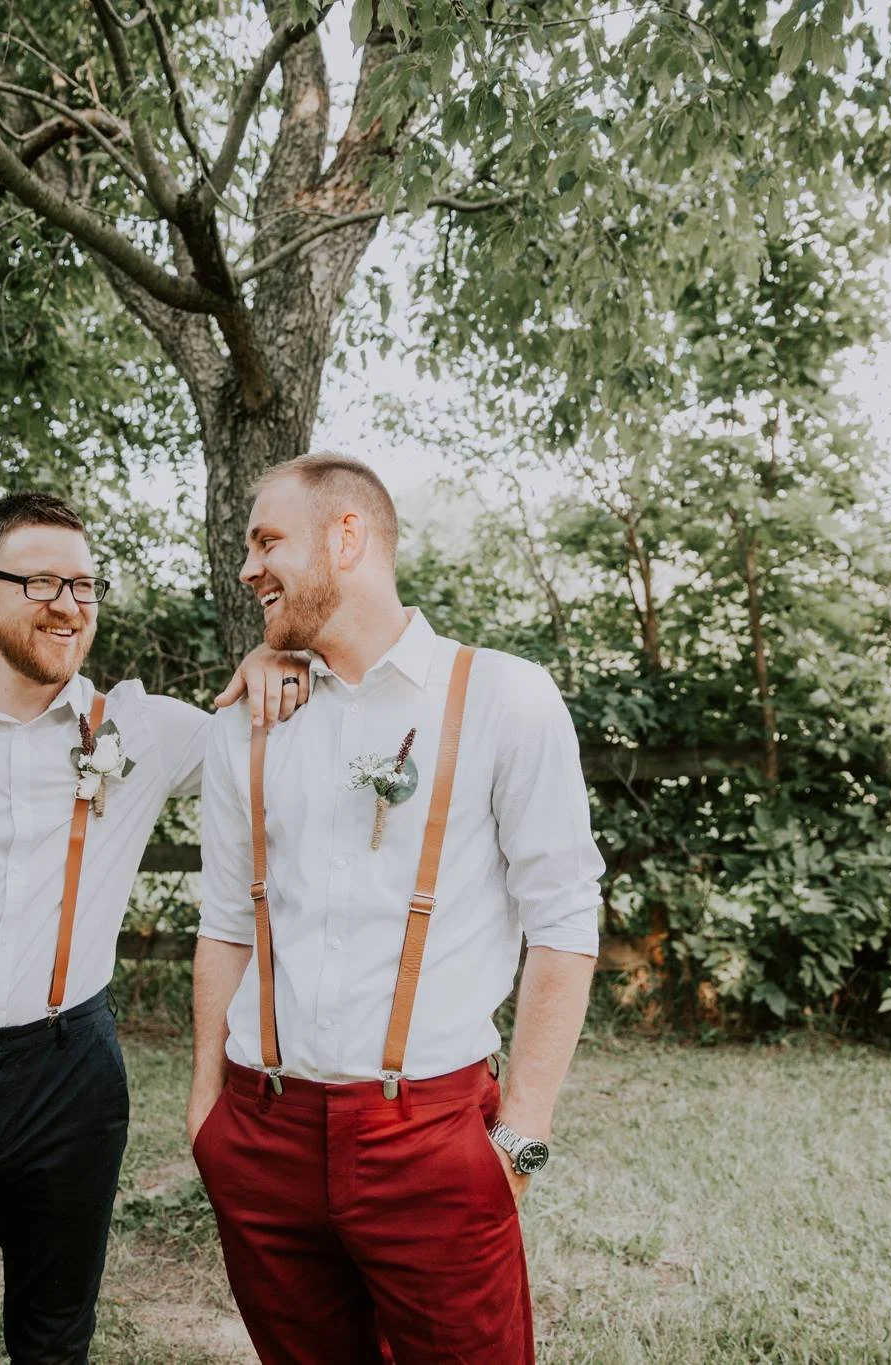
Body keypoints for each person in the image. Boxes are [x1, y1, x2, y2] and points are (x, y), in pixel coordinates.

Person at [0, 490, 308, 1365]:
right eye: (41, 582)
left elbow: (277, 723)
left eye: (85, 584)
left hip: (70, 1077)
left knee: (54, 1340)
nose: (70, 605)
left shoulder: (139, 728)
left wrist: (278, 654)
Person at [187, 453, 604, 1363]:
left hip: (433, 1138)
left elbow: (566, 923)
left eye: (267, 542)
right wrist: (206, 1116)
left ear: (348, 537)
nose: (248, 567)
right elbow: (225, 920)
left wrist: (521, 1137)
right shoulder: (246, 722)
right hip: (262, 1134)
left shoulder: (503, 696)